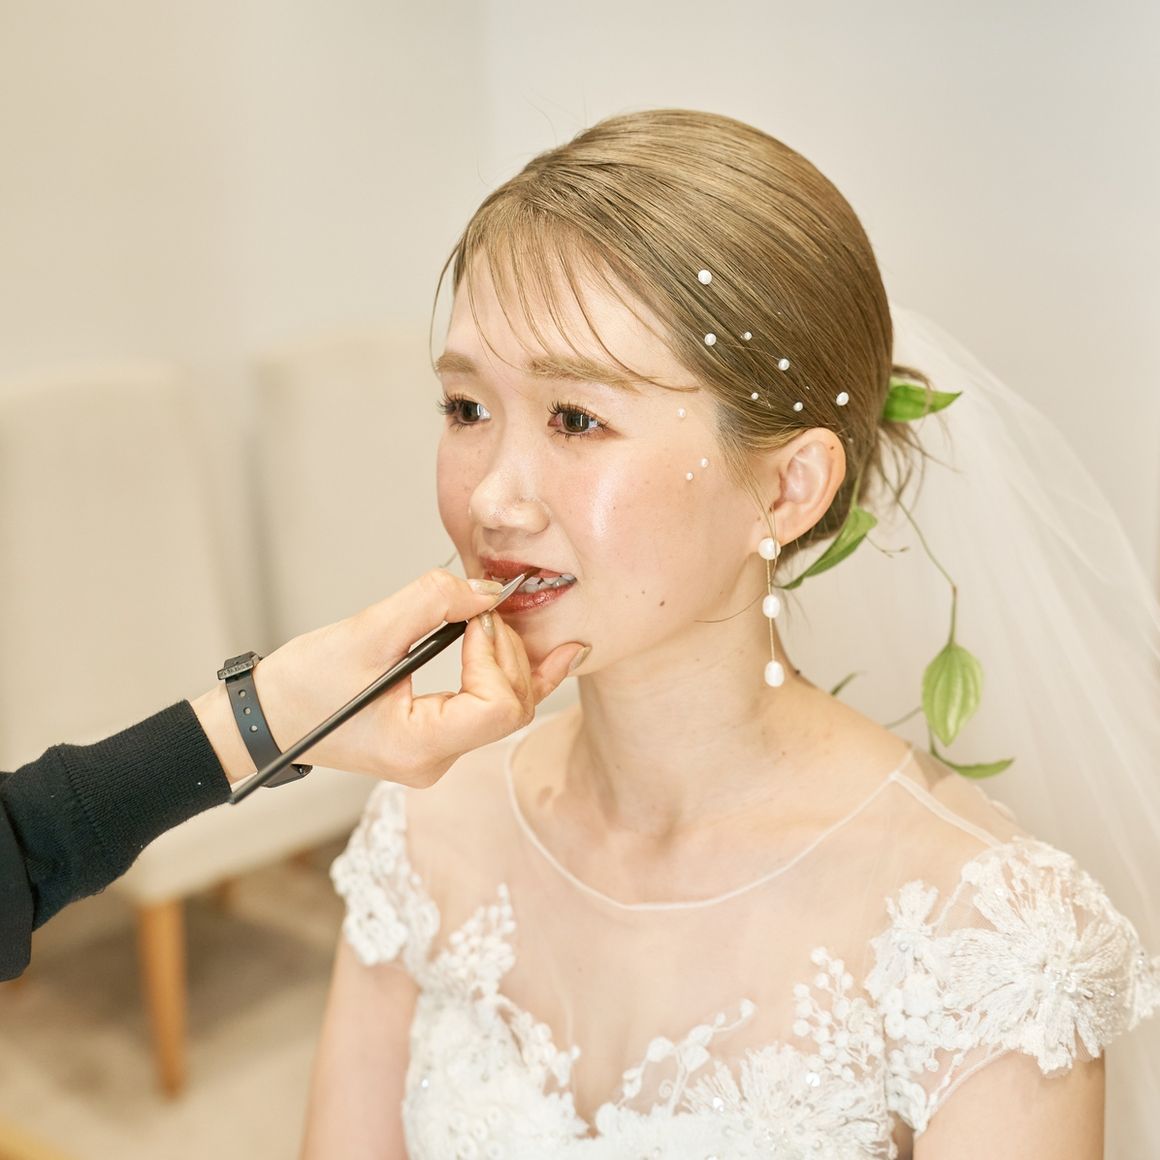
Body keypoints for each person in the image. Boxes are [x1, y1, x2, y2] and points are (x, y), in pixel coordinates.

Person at [302, 109, 1160, 1158]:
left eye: (576, 419)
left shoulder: (982, 936)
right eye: (465, 407)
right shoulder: (426, 822)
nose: (491, 500)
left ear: (788, 487)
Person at [0, 569, 588, 981]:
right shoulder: (409, 834)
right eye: (465, 424)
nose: (493, 497)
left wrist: (274, 709)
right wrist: (273, 712)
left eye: (579, 431)